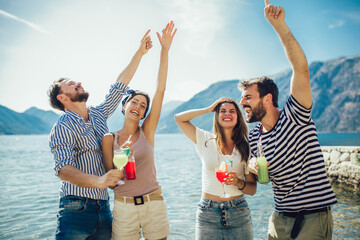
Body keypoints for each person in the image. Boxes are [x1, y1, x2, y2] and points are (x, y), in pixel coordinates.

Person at [238, 1, 337, 239]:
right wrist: (251, 169)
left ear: (267, 98)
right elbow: (264, 180)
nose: (242, 104)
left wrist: (279, 26)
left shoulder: (296, 115)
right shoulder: (254, 136)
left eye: (248, 98)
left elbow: (300, 69)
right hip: (280, 217)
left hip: (313, 216)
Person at [48, 30, 152, 239]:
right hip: (75, 207)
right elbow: (63, 169)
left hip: (103, 207)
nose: (78, 83)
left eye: (76, 81)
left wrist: (139, 53)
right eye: (71, 84)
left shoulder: (98, 114)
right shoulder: (63, 127)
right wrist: (98, 181)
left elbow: (118, 87)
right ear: (62, 97)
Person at [102, 21, 176, 240]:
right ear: (124, 105)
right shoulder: (109, 138)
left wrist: (164, 50)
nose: (138, 107)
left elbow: (160, 89)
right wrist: (121, 159)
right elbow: (110, 180)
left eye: (143, 106)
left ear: (144, 113)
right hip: (124, 208)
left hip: (154, 202)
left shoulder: (147, 131)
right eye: (134, 102)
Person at [174, 97, 257, 239]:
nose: (227, 114)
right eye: (222, 111)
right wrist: (209, 109)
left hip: (238, 212)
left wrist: (237, 182)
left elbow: (252, 189)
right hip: (208, 213)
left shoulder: (246, 146)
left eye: (232, 111)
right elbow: (179, 118)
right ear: (216, 115)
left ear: (238, 117)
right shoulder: (204, 139)